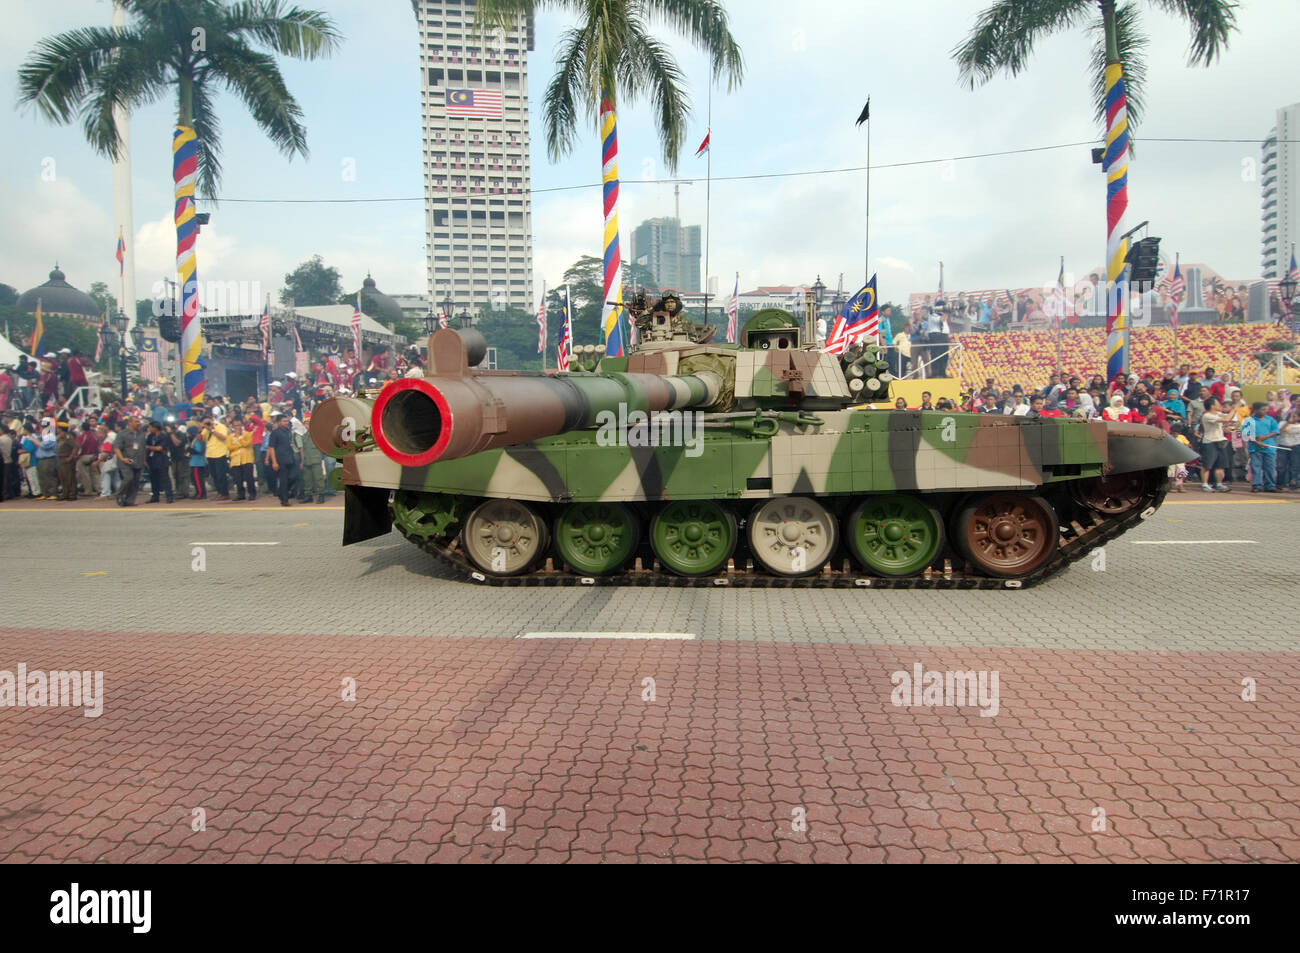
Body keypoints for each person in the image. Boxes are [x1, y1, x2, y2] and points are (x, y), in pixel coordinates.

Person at [1241, 402, 1280, 492]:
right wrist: (1255, 441)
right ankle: (1257, 485)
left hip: (1269, 447)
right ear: (1256, 410)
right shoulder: (1249, 420)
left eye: (1266, 409)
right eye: (1263, 409)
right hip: (1255, 448)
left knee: (1270, 467)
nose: (1265, 411)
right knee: (1256, 467)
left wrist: (1265, 437)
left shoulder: (1271, 420)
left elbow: (1275, 431)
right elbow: (1246, 434)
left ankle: (1270, 485)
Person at [1198, 395, 1232, 492]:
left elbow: (1229, 418)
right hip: (1210, 442)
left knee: (1220, 465)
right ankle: (1205, 484)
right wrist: (1235, 408)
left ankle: (1219, 484)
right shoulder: (1207, 415)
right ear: (1212, 406)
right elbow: (1226, 419)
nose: (1220, 405)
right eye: (1217, 403)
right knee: (1207, 465)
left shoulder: (1218, 414)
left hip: (1220, 441)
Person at [266, 412, 298, 507]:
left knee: (293, 476)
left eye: (287, 421)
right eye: (284, 421)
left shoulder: (288, 431)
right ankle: (284, 500)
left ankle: (281, 492)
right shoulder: (275, 433)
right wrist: (274, 462)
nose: (286, 422)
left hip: (290, 458)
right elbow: (271, 448)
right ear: (279, 422)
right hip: (280, 459)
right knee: (283, 480)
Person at [114, 416, 145, 506]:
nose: (138, 423)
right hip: (126, 461)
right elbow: (116, 448)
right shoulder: (122, 434)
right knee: (128, 478)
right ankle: (119, 494)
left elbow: (143, 448)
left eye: (139, 421)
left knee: (135, 482)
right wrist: (122, 458)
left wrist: (144, 460)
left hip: (138, 461)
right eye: (136, 421)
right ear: (130, 423)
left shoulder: (141, 434)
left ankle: (129, 500)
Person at [143, 419, 174, 503]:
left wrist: (149, 447)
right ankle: (155, 496)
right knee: (153, 479)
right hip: (152, 460)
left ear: (155, 428)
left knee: (165, 479)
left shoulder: (164, 436)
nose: (149, 429)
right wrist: (145, 459)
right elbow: (147, 447)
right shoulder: (150, 437)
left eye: (150, 427)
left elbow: (160, 448)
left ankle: (169, 496)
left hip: (161, 459)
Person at [227, 417, 256, 501]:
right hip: (236, 459)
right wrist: (240, 445)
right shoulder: (230, 436)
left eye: (239, 425)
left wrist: (240, 438)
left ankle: (252, 493)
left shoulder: (247, 434)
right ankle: (240, 494)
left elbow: (247, 444)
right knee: (238, 478)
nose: (237, 427)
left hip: (247, 458)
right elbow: (229, 447)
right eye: (235, 426)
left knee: (249, 477)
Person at [299, 415, 326, 503]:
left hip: (315, 459)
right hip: (307, 460)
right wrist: (302, 461)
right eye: (306, 423)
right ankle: (308, 496)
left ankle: (321, 495)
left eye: (309, 423)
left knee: (319, 479)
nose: (307, 425)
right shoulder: (304, 436)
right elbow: (303, 448)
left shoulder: (316, 434)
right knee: (307, 479)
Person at [204, 414, 230, 499]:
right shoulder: (205, 429)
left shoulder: (220, 426)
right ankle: (219, 492)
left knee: (221, 474)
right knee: (214, 475)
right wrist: (201, 428)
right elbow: (201, 439)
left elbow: (223, 437)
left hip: (220, 454)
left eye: (208, 421)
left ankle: (224, 493)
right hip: (210, 454)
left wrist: (212, 430)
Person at [35, 419, 58, 500]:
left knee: (49, 476)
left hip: (48, 459)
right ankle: (45, 493)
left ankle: (53, 493)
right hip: (41, 459)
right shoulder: (43, 437)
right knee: (42, 476)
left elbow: (44, 446)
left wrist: (33, 440)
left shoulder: (51, 437)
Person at [55, 421, 78, 501]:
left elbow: (75, 447)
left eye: (58, 428)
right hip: (60, 459)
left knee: (69, 477)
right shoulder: (59, 437)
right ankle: (65, 494)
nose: (57, 429)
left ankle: (72, 494)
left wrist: (71, 457)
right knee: (62, 477)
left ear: (61, 429)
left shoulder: (68, 437)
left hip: (66, 458)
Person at [1278, 409, 1300, 490]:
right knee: (1281, 466)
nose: (1292, 418)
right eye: (1291, 416)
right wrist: (1288, 423)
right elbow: (1279, 432)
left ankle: (1293, 484)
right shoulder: (1282, 423)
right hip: (1283, 446)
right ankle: (1280, 484)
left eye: (1294, 416)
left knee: (1294, 466)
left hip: (1296, 446)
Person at [187, 426, 208, 499]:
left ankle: (200, 493)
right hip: (195, 462)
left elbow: (199, 450)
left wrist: (189, 449)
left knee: (198, 479)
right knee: (196, 479)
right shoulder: (195, 440)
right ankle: (199, 492)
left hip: (197, 463)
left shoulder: (199, 441)